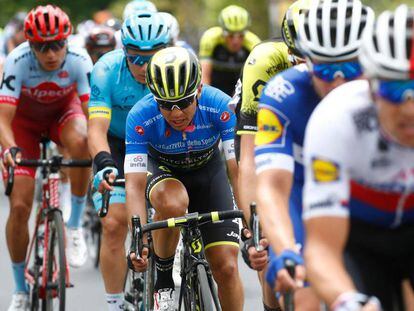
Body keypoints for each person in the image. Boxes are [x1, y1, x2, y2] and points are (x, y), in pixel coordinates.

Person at [254, 0, 374, 308]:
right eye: (324, 67)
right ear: (305, 61)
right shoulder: (283, 94)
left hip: (369, 199)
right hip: (304, 196)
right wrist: (286, 251)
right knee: (303, 288)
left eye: (350, 68)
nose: (337, 81)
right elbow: (271, 187)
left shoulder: (390, 94)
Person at [303, 4, 414, 310]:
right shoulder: (336, 117)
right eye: (397, 89)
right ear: (372, 85)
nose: (410, 109)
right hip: (360, 235)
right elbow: (322, 247)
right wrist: (346, 300)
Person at [125, 47, 243, 311]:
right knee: (174, 201)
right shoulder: (140, 116)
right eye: (165, 104)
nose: (176, 113)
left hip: (208, 173)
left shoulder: (221, 106)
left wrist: (250, 218)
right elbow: (133, 185)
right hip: (164, 172)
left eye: (185, 102)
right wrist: (138, 240)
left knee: (226, 266)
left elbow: (236, 169)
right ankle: (164, 278)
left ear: (198, 90)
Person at [0, 5, 93, 310]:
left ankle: (75, 225)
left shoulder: (80, 60)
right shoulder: (17, 61)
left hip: (62, 117)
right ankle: (19, 289)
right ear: (30, 45)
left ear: (68, 41)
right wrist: (10, 149)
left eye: (58, 44)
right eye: (42, 46)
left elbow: (93, 115)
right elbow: (3, 118)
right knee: (20, 206)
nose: (51, 53)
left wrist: (101, 152)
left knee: (82, 140)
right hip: (23, 125)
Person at [88, 12, 170, 311]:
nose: (143, 66)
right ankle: (115, 304)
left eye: (151, 58)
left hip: (158, 144)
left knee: (171, 208)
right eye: (135, 58)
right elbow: (95, 129)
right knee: (113, 224)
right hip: (117, 144)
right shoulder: (105, 70)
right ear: (123, 51)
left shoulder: (177, 67)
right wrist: (104, 162)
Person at [233, 1, 312, 310]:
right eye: (299, 60)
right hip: (266, 133)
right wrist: (253, 227)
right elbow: (250, 160)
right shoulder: (265, 60)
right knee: (267, 251)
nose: (307, 70)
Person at [199, 5, 260, 96]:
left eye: (241, 35)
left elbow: (255, 80)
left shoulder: (254, 44)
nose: (235, 41)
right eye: (230, 35)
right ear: (223, 32)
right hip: (215, 86)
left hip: (240, 88)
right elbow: (204, 78)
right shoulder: (210, 39)